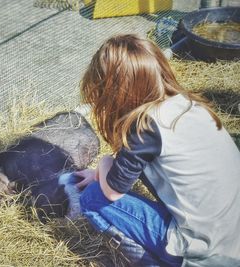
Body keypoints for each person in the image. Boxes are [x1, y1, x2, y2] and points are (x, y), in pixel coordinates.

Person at [74, 34, 240, 267]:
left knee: (93, 198)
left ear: (115, 91)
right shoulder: (185, 103)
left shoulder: (145, 126)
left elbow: (112, 192)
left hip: (207, 251)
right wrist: (103, 174)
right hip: (232, 239)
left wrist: (103, 164)